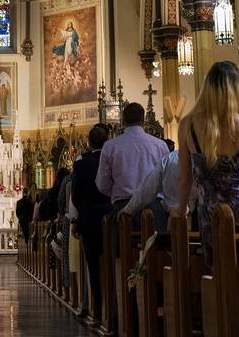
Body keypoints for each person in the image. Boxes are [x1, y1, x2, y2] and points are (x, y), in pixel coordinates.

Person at [176, 61, 239, 264]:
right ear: (237, 90)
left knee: (218, 277)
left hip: (211, 215)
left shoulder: (187, 125)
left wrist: (181, 211)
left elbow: (184, 179)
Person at [96, 102, 169, 214]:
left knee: (123, 231)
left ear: (123, 121)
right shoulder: (160, 145)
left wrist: (118, 192)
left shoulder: (110, 146)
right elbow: (167, 180)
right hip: (153, 208)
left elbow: (102, 184)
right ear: (143, 120)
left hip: (122, 206)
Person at [71, 125, 112, 322]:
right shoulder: (113, 158)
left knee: (93, 266)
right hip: (111, 217)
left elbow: (76, 195)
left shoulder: (81, 164)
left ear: (88, 143)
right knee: (113, 262)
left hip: (88, 220)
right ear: (107, 141)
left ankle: (97, 312)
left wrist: (82, 213)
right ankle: (115, 312)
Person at [121, 139, 178, 232]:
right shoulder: (169, 155)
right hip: (199, 215)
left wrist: (128, 209)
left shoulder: (172, 159)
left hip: (177, 217)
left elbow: (149, 188)